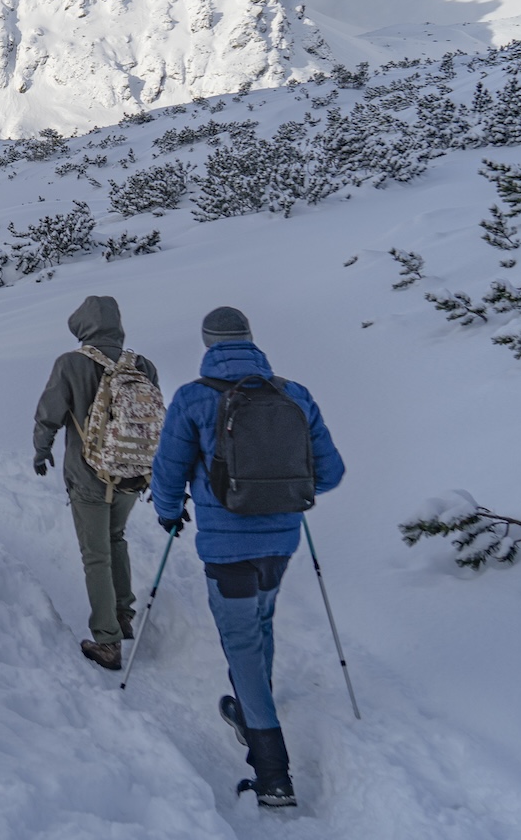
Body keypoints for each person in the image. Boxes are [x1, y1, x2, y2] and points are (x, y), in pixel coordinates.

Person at [152, 307, 345, 810]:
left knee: (240, 641)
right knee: (261, 622)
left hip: (225, 545)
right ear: (251, 339)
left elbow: (169, 472)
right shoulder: (293, 394)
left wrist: (169, 514)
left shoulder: (193, 397)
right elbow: (330, 473)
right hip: (281, 541)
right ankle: (248, 705)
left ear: (208, 343)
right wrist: (282, 488)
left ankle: (273, 773)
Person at [33, 295, 161, 671]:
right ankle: (123, 615)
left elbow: (49, 414)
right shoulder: (142, 365)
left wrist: (41, 451)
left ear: (82, 326)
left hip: (88, 475)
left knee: (96, 555)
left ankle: (107, 642)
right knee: (115, 539)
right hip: (132, 475)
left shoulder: (71, 363)